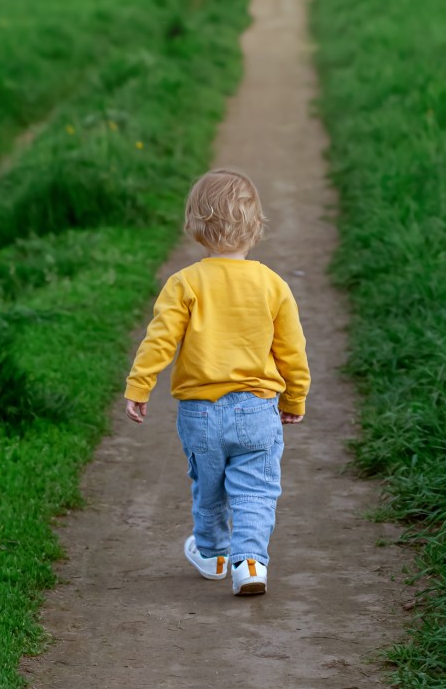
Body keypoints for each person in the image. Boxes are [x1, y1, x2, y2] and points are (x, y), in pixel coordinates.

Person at [124, 168, 310, 596]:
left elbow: (160, 340)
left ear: (195, 228)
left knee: (208, 489)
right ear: (255, 227)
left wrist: (139, 386)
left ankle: (212, 554)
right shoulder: (271, 285)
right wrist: (295, 397)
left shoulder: (185, 283)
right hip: (258, 410)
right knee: (256, 491)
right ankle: (250, 562)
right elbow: (292, 351)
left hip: (201, 413)